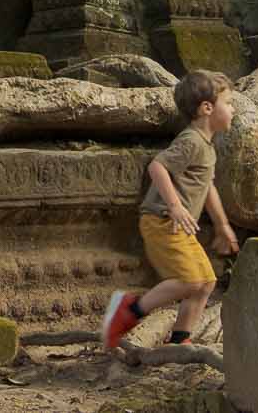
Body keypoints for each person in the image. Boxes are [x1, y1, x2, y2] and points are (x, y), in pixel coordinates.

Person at [101, 69, 241, 352]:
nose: (233, 109)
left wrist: (222, 225)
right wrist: (175, 206)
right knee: (190, 281)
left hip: (178, 226)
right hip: (163, 220)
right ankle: (129, 309)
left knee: (205, 282)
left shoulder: (207, 146)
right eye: (229, 103)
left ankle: (180, 340)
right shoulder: (191, 141)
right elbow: (157, 167)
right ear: (207, 108)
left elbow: (207, 187)